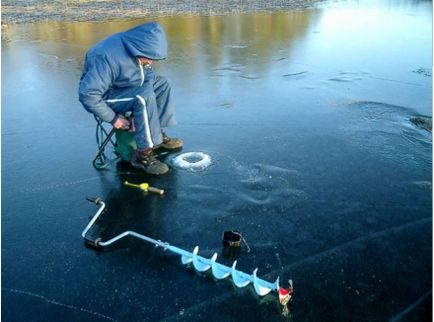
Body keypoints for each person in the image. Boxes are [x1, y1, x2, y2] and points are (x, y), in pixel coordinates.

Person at [79, 22, 182, 175]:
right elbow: (88, 95)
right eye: (148, 57)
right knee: (142, 98)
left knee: (162, 84)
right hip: (106, 95)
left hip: (125, 87)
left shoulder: (140, 47)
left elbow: (147, 79)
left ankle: (155, 135)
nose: (150, 62)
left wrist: (137, 115)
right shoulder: (106, 57)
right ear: (138, 49)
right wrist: (113, 118)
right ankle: (143, 154)